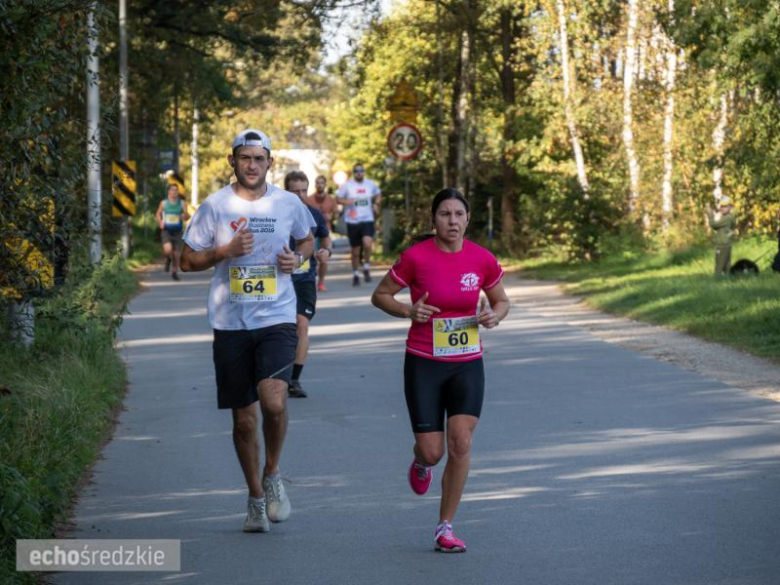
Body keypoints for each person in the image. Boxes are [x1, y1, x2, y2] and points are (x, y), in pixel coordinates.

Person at [181, 129, 315, 533]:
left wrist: (297, 258)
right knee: (243, 421)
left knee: (273, 402)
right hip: (230, 323)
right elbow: (187, 261)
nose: (252, 165)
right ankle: (256, 497)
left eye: (259, 158)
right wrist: (223, 251)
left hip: (276, 317)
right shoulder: (215, 206)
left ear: (270, 163)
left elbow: (308, 241)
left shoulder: (288, 203)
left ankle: (272, 473)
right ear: (232, 160)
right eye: (245, 158)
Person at [371, 188, 510, 553]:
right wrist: (408, 311)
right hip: (424, 363)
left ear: (467, 219)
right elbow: (380, 295)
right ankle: (421, 462)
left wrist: (494, 315)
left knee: (461, 442)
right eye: (444, 214)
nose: (452, 221)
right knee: (433, 452)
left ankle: (444, 526)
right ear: (433, 220)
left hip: (467, 363)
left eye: (458, 214)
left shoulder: (482, 259)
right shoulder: (416, 257)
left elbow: (501, 300)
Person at [285, 171, 333, 398]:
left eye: (304, 190)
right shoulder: (275, 214)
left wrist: (326, 251)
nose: (300, 195)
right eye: (295, 191)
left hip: (305, 280)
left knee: (301, 324)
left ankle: (294, 379)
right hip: (278, 280)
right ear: (286, 191)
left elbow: (325, 237)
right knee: (280, 330)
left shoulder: (314, 214)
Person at [337, 163, 381, 287]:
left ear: (364, 172)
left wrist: (376, 204)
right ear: (353, 172)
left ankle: (366, 266)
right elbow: (338, 199)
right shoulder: (347, 186)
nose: (359, 173)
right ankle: (355, 273)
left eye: (361, 170)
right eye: (356, 171)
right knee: (355, 251)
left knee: (367, 243)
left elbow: (378, 194)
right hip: (353, 220)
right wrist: (346, 201)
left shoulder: (370, 184)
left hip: (367, 219)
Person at [307, 175, 338, 292]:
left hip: (325, 233)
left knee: (324, 257)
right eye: (317, 183)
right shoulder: (308, 199)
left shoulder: (331, 199)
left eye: (321, 183)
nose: (319, 185)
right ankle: (309, 279)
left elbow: (337, 214)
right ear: (315, 185)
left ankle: (321, 282)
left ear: (325, 185)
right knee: (311, 257)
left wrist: (331, 217)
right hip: (312, 234)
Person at [155, 183, 190, 281]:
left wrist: (185, 215)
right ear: (168, 192)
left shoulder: (182, 203)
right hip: (166, 230)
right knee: (168, 250)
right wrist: (160, 222)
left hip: (178, 231)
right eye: (172, 190)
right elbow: (158, 214)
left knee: (177, 254)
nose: (174, 192)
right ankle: (168, 259)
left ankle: (174, 272)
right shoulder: (164, 203)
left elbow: (187, 217)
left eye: (176, 190)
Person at [708, 196, 736, 275]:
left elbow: (714, 225)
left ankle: (717, 279)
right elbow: (720, 228)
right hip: (727, 244)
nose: (722, 208)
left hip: (722, 244)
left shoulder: (727, 218)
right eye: (721, 206)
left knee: (719, 265)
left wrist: (710, 215)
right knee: (726, 264)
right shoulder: (730, 218)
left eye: (725, 206)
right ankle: (727, 278)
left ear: (730, 207)